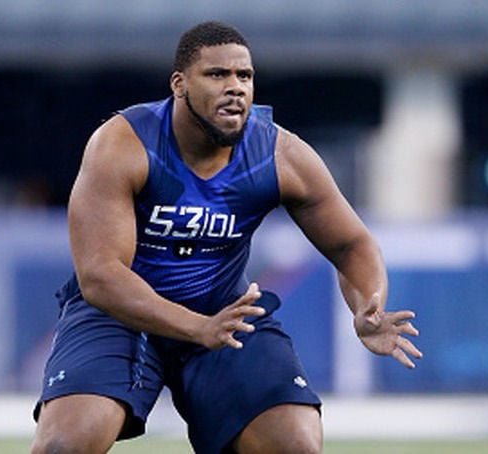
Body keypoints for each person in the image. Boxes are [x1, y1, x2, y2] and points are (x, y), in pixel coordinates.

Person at [31, 21, 422, 454]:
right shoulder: (124, 144)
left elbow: (351, 244)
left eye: (245, 76)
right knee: (64, 445)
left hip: (224, 314)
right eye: (217, 75)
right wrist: (197, 327)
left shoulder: (279, 154)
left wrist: (369, 302)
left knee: (296, 445)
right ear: (179, 84)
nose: (235, 87)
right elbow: (101, 277)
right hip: (120, 315)